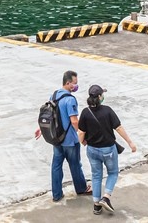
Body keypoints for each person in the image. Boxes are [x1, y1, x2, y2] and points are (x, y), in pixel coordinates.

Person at [77, 85, 136, 215]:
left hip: (92, 150)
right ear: (99, 97)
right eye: (102, 94)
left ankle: (96, 206)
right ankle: (106, 197)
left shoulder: (85, 112)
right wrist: (130, 142)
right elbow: (118, 128)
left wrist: (83, 142)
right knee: (113, 173)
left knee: (96, 176)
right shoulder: (107, 111)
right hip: (108, 149)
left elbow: (81, 132)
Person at [35, 70, 91, 202]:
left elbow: (50, 115)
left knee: (56, 165)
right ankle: (81, 188)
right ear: (68, 83)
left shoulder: (54, 95)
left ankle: (57, 194)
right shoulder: (70, 100)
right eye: (74, 83)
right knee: (75, 165)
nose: (76, 86)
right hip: (70, 140)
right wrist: (82, 135)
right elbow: (74, 121)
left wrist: (41, 129)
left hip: (56, 138)